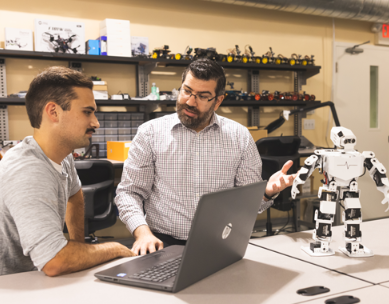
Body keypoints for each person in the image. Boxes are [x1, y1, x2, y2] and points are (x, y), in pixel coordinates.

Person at [115, 59, 298, 256]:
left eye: (203, 96)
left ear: (218, 101)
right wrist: (142, 233)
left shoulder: (240, 137)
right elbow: (129, 193)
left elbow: (247, 204)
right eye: (187, 91)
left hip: (221, 242)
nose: (190, 102)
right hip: (162, 243)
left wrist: (267, 192)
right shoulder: (150, 133)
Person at [0, 66, 133, 279]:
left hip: (31, 277)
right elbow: (54, 261)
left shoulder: (61, 155)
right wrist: (114, 248)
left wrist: (79, 247)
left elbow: (75, 196)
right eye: (87, 112)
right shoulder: (28, 171)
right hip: (0, 290)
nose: (95, 122)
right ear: (53, 112)